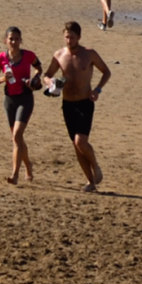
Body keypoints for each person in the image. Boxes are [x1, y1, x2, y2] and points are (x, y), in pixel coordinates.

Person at [43, 20, 110, 192]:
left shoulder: (89, 54)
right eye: (66, 37)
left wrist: (98, 89)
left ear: (79, 37)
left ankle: (95, 166)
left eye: (72, 37)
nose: (69, 40)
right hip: (67, 104)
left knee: (81, 141)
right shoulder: (58, 55)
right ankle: (90, 182)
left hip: (85, 102)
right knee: (76, 144)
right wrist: (50, 82)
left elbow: (106, 71)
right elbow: (47, 74)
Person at [0, 26, 41, 184]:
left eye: (16, 39)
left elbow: (39, 68)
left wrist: (34, 79)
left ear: (21, 40)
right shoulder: (1, 58)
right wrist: (3, 79)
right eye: (11, 39)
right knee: (17, 139)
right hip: (9, 100)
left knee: (17, 135)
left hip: (25, 99)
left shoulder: (28, 55)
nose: (14, 42)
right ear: (5, 41)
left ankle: (14, 174)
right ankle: (28, 167)